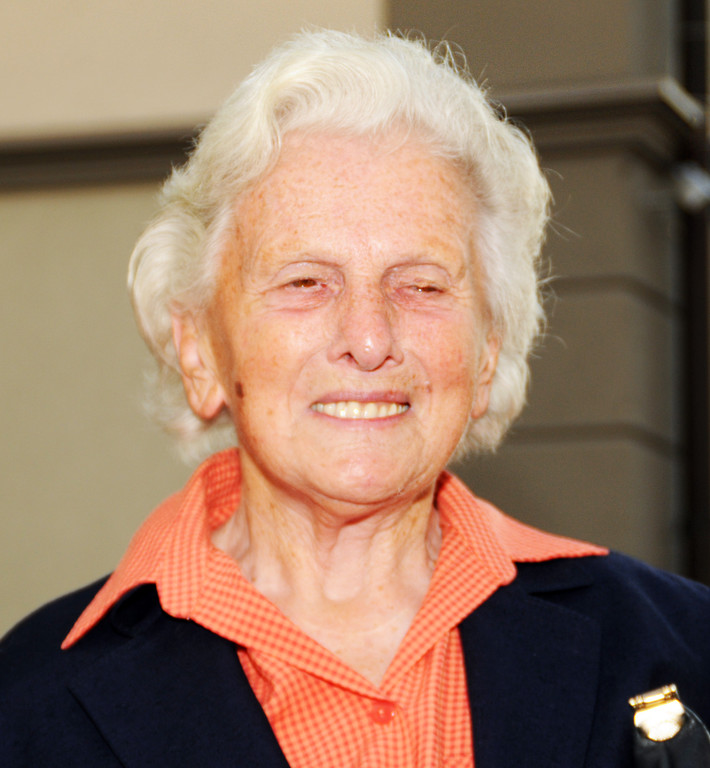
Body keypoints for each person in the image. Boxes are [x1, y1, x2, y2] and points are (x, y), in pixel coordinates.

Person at [2, 29, 709, 768]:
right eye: (305, 282)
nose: (369, 339)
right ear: (199, 349)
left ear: (486, 349)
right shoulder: (26, 710)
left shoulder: (683, 651)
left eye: (422, 285)